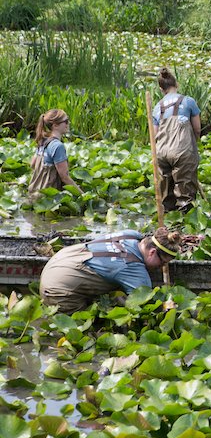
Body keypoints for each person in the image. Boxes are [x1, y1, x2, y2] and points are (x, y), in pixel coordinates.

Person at [39, 227, 182, 314]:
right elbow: (147, 304)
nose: (162, 267)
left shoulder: (130, 235)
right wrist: (166, 307)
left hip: (61, 259)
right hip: (56, 289)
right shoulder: (134, 270)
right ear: (151, 252)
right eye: (162, 262)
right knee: (86, 331)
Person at [152, 67, 201, 212]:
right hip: (182, 150)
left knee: (167, 196)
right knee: (186, 196)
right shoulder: (188, 101)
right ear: (176, 84)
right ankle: (186, 227)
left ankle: (168, 225)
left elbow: (155, 136)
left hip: (162, 153)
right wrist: (194, 144)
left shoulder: (157, 107)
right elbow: (197, 128)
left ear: (161, 89)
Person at [28, 109, 83, 199]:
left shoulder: (42, 141)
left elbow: (32, 165)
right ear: (55, 125)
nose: (68, 124)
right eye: (65, 121)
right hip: (48, 197)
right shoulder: (58, 146)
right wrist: (82, 195)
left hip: (34, 193)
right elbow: (64, 177)